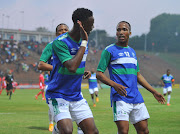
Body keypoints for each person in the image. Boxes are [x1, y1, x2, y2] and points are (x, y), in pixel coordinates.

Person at [96, 21, 166, 134]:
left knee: (144, 131)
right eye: (118, 30)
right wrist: (115, 85)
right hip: (120, 97)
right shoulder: (109, 50)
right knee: (123, 131)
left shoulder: (132, 52)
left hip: (136, 97)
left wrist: (154, 91)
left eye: (124, 29)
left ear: (130, 32)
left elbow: (138, 75)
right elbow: (99, 73)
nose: (121, 32)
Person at [46, 8, 98, 134]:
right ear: (80, 24)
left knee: (93, 132)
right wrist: (84, 43)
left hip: (76, 95)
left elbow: (77, 65)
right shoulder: (60, 42)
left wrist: (83, 71)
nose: (92, 27)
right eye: (90, 24)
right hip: (58, 95)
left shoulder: (83, 41)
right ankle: (58, 129)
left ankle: (57, 130)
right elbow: (72, 67)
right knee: (67, 131)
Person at [38, 23, 69, 132]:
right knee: (57, 115)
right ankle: (52, 124)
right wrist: (57, 68)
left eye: (66, 29)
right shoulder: (51, 45)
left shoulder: (73, 46)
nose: (63, 31)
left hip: (71, 86)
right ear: (56, 33)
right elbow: (41, 65)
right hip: (56, 85)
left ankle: (56, 127)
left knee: (78, 120)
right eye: (61, 30)